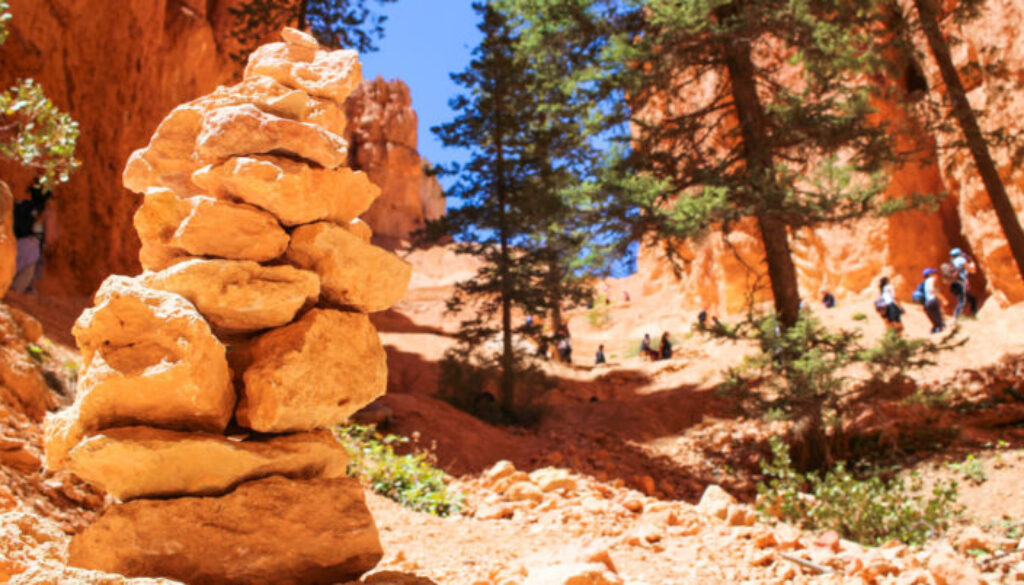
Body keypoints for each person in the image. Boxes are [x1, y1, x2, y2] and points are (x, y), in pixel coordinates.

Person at [12, 182, 51, 294]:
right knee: (27, 274)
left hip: (13, 243)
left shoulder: (19, 205)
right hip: (32, 248)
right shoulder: (45, 212)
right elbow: (50, 238)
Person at [948, 248, 978, 319]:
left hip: (953, 284)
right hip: (961, 283)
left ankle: (970, 315)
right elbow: (972, 271)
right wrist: (972, 263)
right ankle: (956, 317)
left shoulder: (951, 262)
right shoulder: (961, 260)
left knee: (968, 299)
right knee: (963, 301)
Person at [920, 268, 944, 334]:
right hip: (933, 300)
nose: (936, 275)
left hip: (927, 302)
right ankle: (939, 328)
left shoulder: (925, 282)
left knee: (933, 317)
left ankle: (935, 328)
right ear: (930, 274)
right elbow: (933, 290)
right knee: (938, 316)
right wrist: (943, 299)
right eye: (934, 273)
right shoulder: (932, 279)